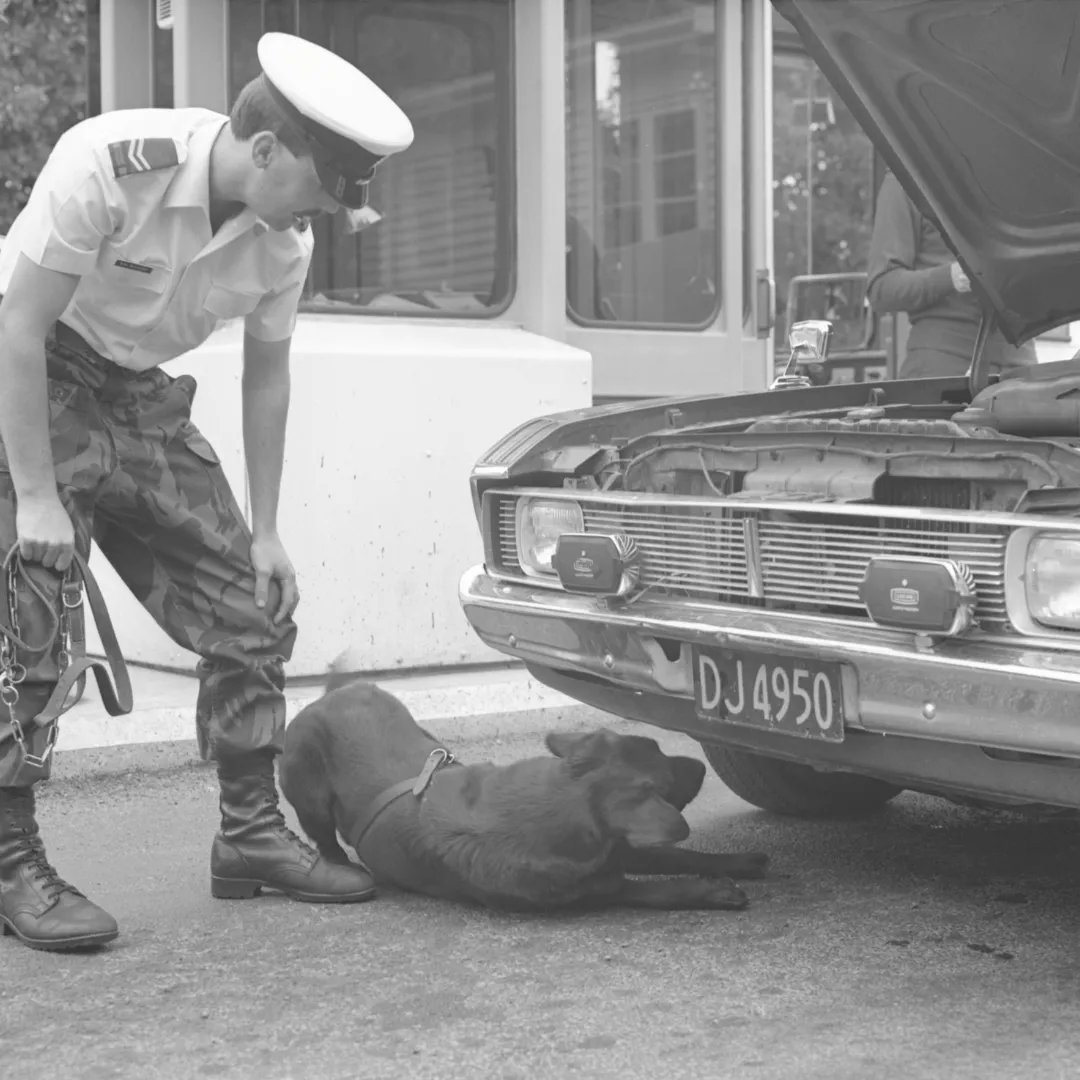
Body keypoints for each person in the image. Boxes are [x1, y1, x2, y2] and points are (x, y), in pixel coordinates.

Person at [0, 32, 413, 951]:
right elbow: (17, 327)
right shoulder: (107, 165)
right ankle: (10, 859)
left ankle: (250, 836)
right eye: (318, 186)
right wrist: (34, 494)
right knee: (28, 611)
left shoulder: (283, 245)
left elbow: (268, 377)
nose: (324, 214)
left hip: (139, 397)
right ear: (266, 151)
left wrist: (266, 529)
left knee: (250, 601)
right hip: (34, 380)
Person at [866, 170, 1036, 378]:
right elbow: (881, 289)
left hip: (1020, 369)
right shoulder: (906, 178)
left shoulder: (1023, 177)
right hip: (943, 368)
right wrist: (950, 277)